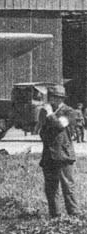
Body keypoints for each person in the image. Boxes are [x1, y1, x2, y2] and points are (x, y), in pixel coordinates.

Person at [38, 84, 79, 218]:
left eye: (55, 97)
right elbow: (41, 130)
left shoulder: (69, 111)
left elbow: (60, 125)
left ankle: (74, 214)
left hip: (63, 154)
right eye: (51, 97)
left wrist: (50, 113)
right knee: (51, 187)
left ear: (61, 99)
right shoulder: (45, 111)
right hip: (48, 154)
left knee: (67, 185)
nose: (52, 99)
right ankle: (55, 215)